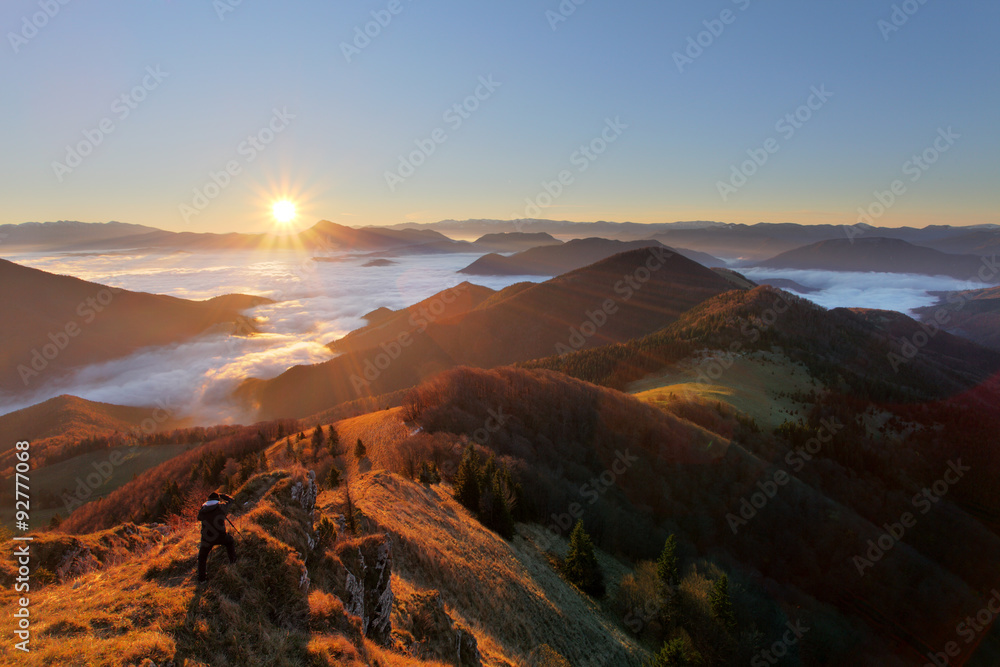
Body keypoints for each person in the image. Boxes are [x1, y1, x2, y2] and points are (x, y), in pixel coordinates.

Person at [197, 491, 237, 583]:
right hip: (221, 536)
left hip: (207, 538)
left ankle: (202, 579)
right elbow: (231, 501)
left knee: (202, 557)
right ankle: (233, 562)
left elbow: (199, 518)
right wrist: (223, 496)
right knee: (230, 542)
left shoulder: (203, 510)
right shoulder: (221, 507)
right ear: (217, 500)